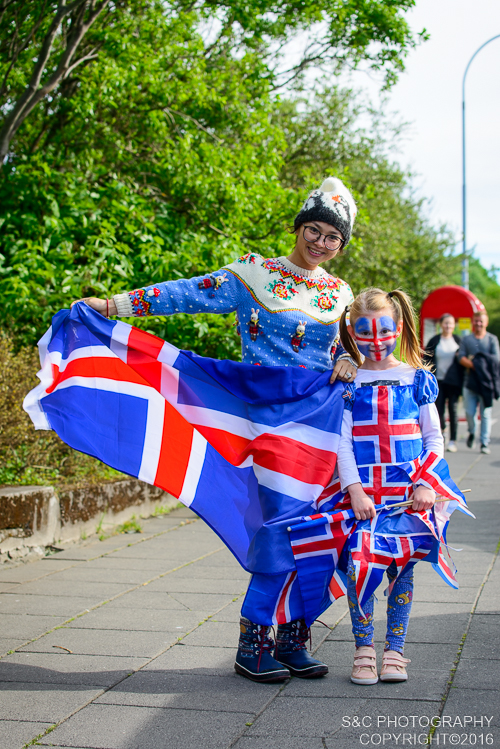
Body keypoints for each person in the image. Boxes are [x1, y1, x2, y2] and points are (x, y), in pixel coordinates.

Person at [73, 176, 359, 683]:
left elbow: (345, 349)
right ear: (299, 228)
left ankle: (293, 639)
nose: (320, 243)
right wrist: (113, 307)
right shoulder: (254, 271)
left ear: (342, 245)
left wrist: (346, 363)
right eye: (314, 230)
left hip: (316, 425)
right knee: (279, 526)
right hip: (261, 418)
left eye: (332, 237)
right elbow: (187, 294)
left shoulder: (341, 293)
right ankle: (253, 645)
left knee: (316, 527)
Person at [336, 287, 444, 684]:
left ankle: (395, 650)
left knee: (402, 573)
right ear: (352, 329)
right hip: (364, 497)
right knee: (359, 568)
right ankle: (363, 648)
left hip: (407, 496)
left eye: (384, 332)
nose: (376, 342)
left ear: (398, 328)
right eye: (365, 333)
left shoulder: (417, 379)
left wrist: (426, 484)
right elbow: (341, 442)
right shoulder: (348, 381)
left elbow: (434, 438)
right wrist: (354, 489)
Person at [458, 311, 500, 455]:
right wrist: (475, 364)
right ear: (472, 322)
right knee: (470, 413)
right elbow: (461, 357)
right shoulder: (466, 339)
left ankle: (484, 442)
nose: (478, 324)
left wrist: (477, 360)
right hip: (469, 382)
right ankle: (471, 432)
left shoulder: (492, 339)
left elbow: (496, 360)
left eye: (481, 321)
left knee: (486, 413)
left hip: (486, 383)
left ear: (486, 322)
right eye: (476, 321)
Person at [424, 314, 463, 452]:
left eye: (451, 323)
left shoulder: (458, 340)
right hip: (437, 381)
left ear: (454, 325)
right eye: (446, 323)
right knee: (438, 410)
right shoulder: (435, 340)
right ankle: (443, 432)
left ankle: (453, 440)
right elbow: (426, 359)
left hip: (453, 382)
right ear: (441, 324)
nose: (448, 326)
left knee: (453, 410)